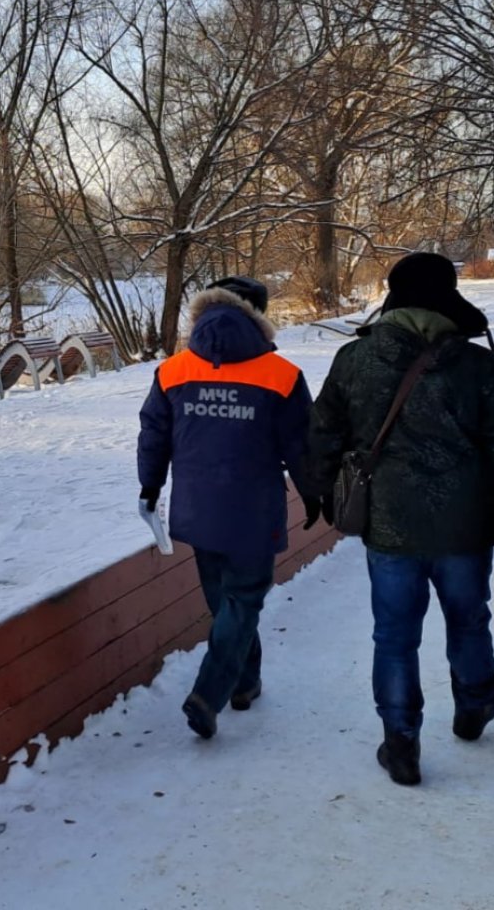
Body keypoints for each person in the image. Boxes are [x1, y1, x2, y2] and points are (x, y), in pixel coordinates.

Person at [305, 252, 494, 786]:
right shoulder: (475, 365)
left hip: (389, 525)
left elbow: (323, 433)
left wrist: (319, 489)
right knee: (468, 618)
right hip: (465, 525)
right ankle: (476, 701)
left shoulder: (355, 359)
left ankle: (400, 739)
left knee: (394, 634)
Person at [137, 276, 319, 741]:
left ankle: (245, 683)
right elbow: (302, 446)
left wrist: (150, 486)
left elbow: (154, 434)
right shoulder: (281, 375)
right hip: (253, 511)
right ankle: (209, 693)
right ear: (259, 317)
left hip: (197, 509)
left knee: (226, 602)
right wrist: (314, 493)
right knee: (242, 601)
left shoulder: (173, 371)